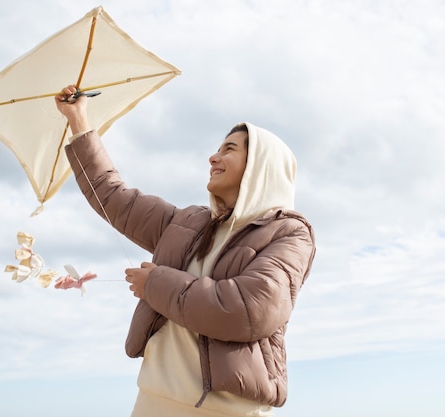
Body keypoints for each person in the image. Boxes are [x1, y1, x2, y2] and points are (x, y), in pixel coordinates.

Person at [55, 86, 316, 417]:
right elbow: (112, 196)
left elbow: (249, 309)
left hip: (228, 411)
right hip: (153, 401)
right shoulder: (188, 222)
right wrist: (78, 120)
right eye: (218, 148)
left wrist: (155, 285)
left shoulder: (290, 233)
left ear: (261, 166)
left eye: (230, 149)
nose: (214, 156)